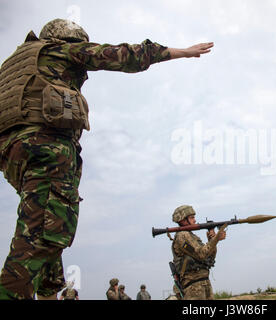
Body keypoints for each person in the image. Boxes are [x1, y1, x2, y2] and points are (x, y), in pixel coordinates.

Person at [0, 18, 214, 300]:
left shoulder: (15, 65)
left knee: (46, 233)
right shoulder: (57, 50)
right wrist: (180, 52)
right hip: (47, 151)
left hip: (13, 155)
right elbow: (119, 55)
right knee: (36, 241)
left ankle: (49, 293)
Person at [171, 205, 226, 300]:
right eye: (192, 218)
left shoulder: (192, 236)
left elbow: (209, 259)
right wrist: (216, 239)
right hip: (194, 287)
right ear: (183, 220)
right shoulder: (182, 236)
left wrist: (212, 240)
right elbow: (201, 254)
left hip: (204, 283)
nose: (195, 220)